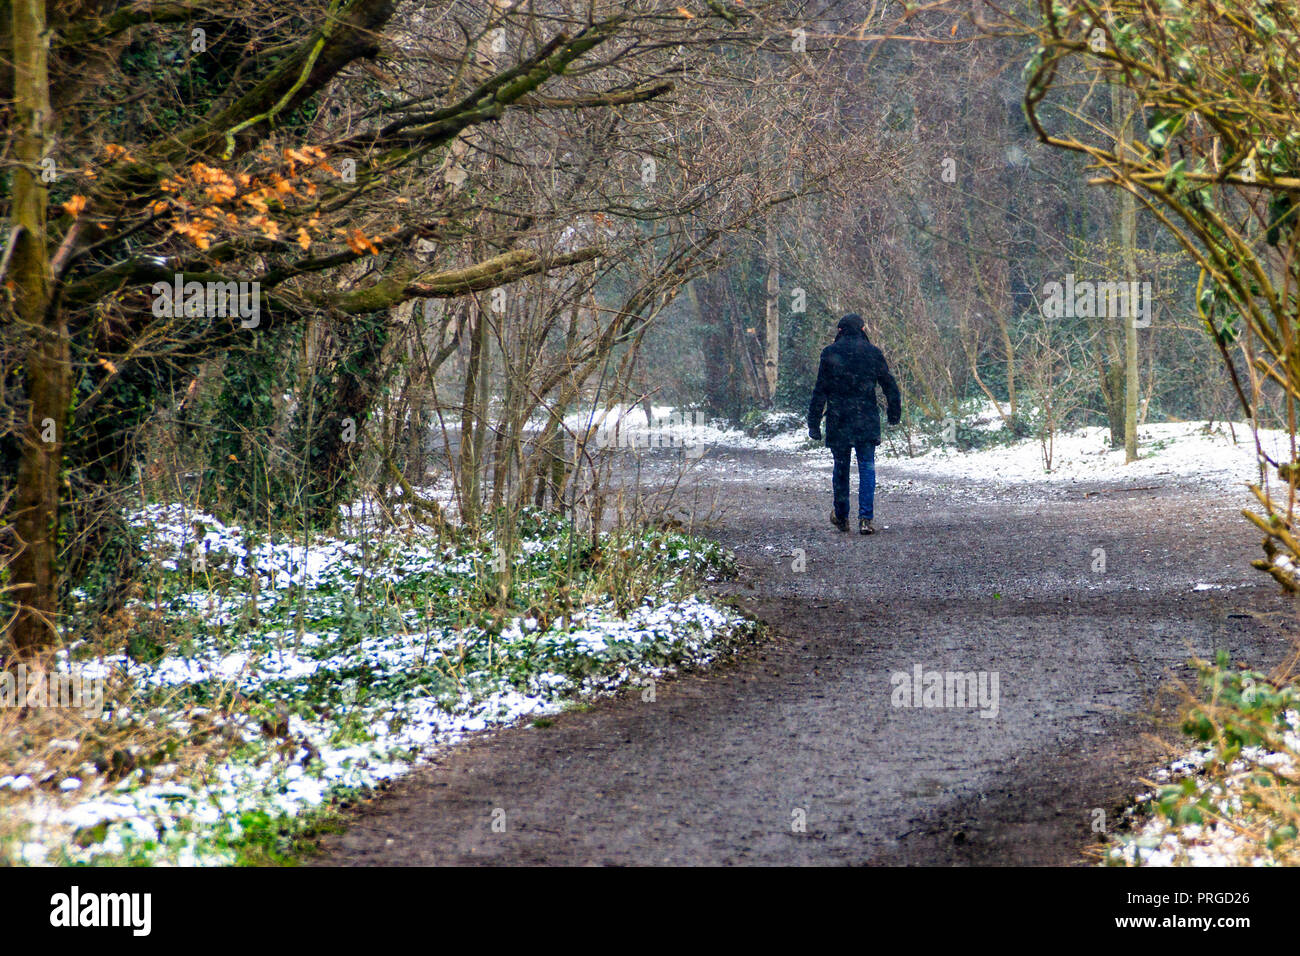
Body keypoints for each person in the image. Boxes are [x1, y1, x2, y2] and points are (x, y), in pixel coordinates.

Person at [807, 313, 902, 534]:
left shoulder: (830, 353)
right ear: (862, 329)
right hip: (865, 418)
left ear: (840, 330)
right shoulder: (873, 353)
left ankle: (841, 516)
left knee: (841, 468)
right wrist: (894, 412)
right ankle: (865, 519)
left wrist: (813, 422)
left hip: (839, 419)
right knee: (867, 467)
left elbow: (820, 390)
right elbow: (889, 385)